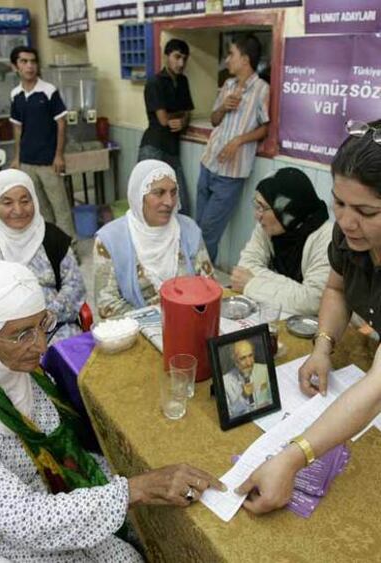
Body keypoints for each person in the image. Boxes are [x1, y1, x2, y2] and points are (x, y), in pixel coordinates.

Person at [0, 261, 226, 560]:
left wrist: (135, 486)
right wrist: (135, 489)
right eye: (22, 334)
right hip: (11, 532)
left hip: (58, 483)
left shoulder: (11, 368)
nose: (40, 346)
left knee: (154, 503)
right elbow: (24, 518)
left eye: (42, 325)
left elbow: (61, 443)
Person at [235, 119, 381, 514]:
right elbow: (336, 289)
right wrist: (323, 348)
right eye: (339, 203)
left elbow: (374, 393)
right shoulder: (348, 238)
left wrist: (290, 458)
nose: (347, 222)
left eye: (366, 211)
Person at [0, 169, 85, 342]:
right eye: (7, 203)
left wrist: (50, 313)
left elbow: (75, 285)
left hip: (51, 327)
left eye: (25, 201)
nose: (18, 210)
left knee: (72, 358)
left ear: (34, 201)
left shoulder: (54, 237)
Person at [94, 160, 213, 319]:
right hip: (136, 332)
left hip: (188, 322)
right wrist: (159, 321)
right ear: (139, 196)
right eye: (159, 193)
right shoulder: (110, 240)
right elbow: (106, 305)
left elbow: (209, 286)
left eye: (173, 192)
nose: (169, 202)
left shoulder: (189, 230)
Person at [196, 33, 270, 263]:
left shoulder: (262, 89)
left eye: (231, 54)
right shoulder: (227, 85)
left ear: (245, 59)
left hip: (231, 174)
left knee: (208, 234)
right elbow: (214, 120)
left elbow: (264, 128)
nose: (227, 60)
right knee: (197, 228)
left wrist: (238, 141)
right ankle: (193, 281)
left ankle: (201, 286)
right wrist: (223, 108)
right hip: (208, 164)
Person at [231, 167, 332, 315]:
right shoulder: (267, 227)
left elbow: (312, 302)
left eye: (263, 208)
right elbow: (244, 268)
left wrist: (252, 284)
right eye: (256, 205)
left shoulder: (327, 239)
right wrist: (294, 293)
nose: (257, 216)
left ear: (287, 210)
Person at [9, 46, 75, 239]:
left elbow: (61, 124)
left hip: (49, 162)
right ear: (15, 67)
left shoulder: (48, 91)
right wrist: (17, 158)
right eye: (24, 61)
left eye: (33, 61)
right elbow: (18, 128)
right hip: (27, 162)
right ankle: (51, 247)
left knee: (61, 208)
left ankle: (70, 251)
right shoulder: (15, 95)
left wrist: (59, 155)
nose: (30, 66)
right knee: (40, 209)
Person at [138, 39, 194, 216]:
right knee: (149, 203)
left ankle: (177, 243)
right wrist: (181, 116)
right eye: (177, 57)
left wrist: (183, 121)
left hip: (172, 149)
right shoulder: (155, 82)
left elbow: (188, 112)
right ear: (166, 57)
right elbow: (163, 119)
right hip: (153, 148)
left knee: (182, 205)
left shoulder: (183, 81)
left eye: (184, 59)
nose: (181, 63)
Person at [223, 340, 271, 418]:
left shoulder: (265, 370)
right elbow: (229, 415)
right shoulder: (225, 382)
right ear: (235, 361)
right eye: (243, 358)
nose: (249, 363)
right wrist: (243, 396)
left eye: (250, 356)